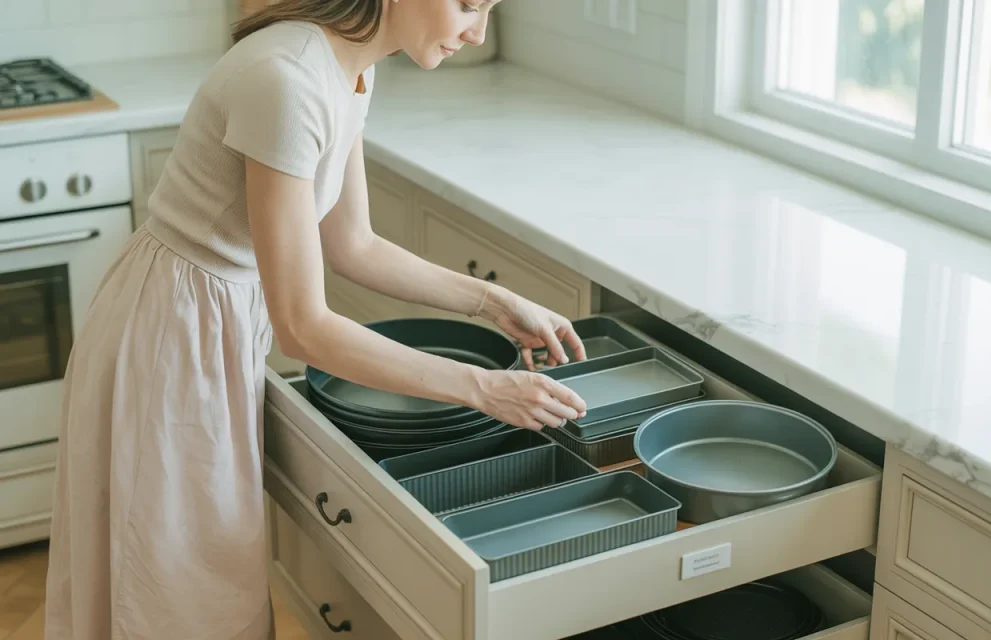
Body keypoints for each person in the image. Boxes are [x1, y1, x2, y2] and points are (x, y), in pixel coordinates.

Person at [43, 1, 589, 638]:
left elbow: (352, 243)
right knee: (178, 592)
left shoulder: (352, 68)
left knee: (199, 572)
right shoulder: (286, 79)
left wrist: (497, 303)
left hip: (211, 320)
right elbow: (303, 326)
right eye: (468, 5)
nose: (478, 32)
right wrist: (484, 388)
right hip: (170, 331)